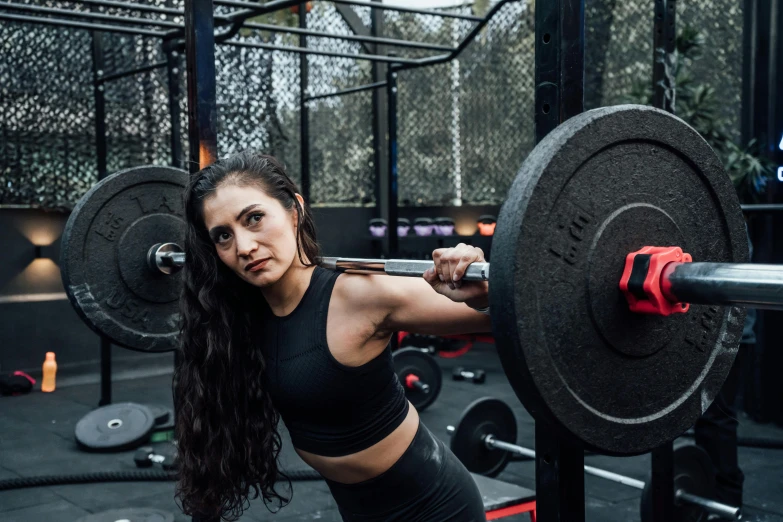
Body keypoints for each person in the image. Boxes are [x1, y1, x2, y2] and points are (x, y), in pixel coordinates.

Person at [174, 151, 492, 522]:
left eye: (254, 218)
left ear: (295, 211)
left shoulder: (360, 295)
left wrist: (483, 292)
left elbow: (510, 316)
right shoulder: (235, 318)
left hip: (433, 506)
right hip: (357, 510)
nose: (243, 247)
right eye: (224, 236)